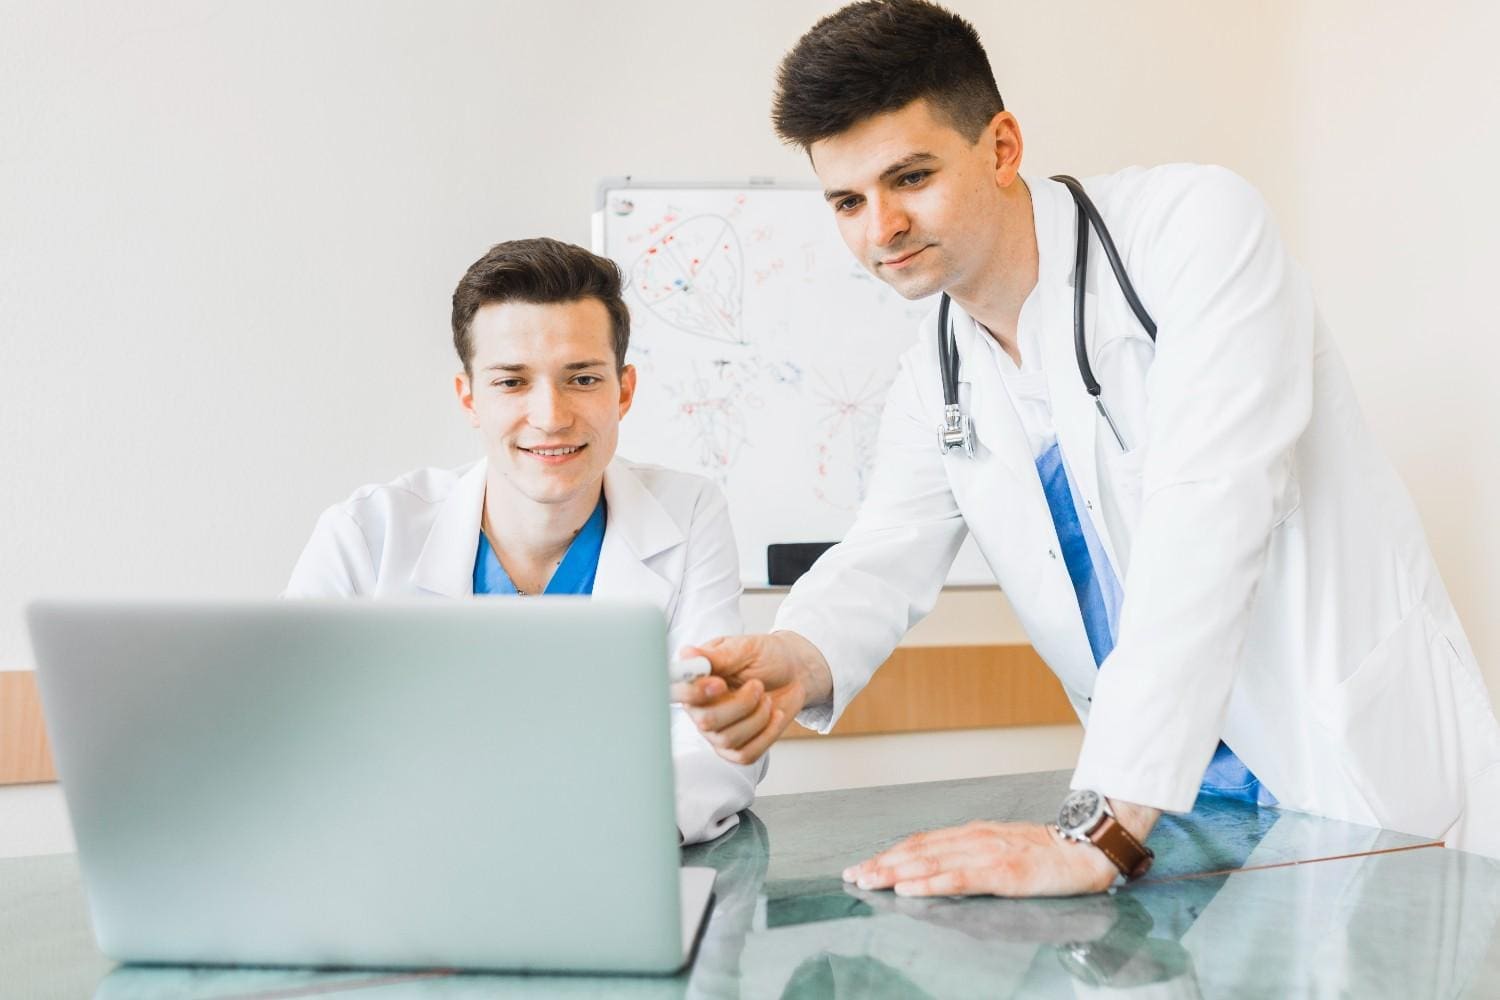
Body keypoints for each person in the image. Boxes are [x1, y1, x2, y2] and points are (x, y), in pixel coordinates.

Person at [676, 0, 1500, 892]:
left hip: (1353, 777)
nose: (881, 229)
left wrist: (1099, 829)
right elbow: (884, 554)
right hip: (1183, 818)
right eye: (847, 200)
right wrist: (796, 657)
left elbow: (1210, 515)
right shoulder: (939, 369)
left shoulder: (1194, 231)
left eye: (910, 177)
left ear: (1001, 147)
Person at [285, 237, 766, 844]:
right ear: (470, 398)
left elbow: (715, 743)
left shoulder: (689, 514)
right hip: (408, 873)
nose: (550, 416)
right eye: (512, 383)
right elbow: (290, 742)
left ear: (623, 391)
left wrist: (578, 834)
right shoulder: (366, 534)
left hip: (614, 860)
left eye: (582, 378)